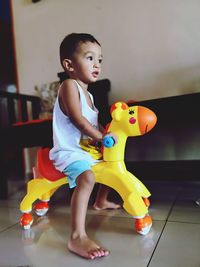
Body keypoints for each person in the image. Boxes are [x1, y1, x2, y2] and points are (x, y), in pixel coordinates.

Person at [50, 33, 119, 260]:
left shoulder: (89, 94)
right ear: (69, 65)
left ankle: (100, 201)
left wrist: (106, 132)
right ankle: (77, 235)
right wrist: (100, 137)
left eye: (100, 59)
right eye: (90, 58)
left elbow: (92, 122)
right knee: (87, 177)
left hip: (84, 152)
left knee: (111, 162)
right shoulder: (69, 86)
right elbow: (79, 120)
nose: (97, 64)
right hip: (69, 153)